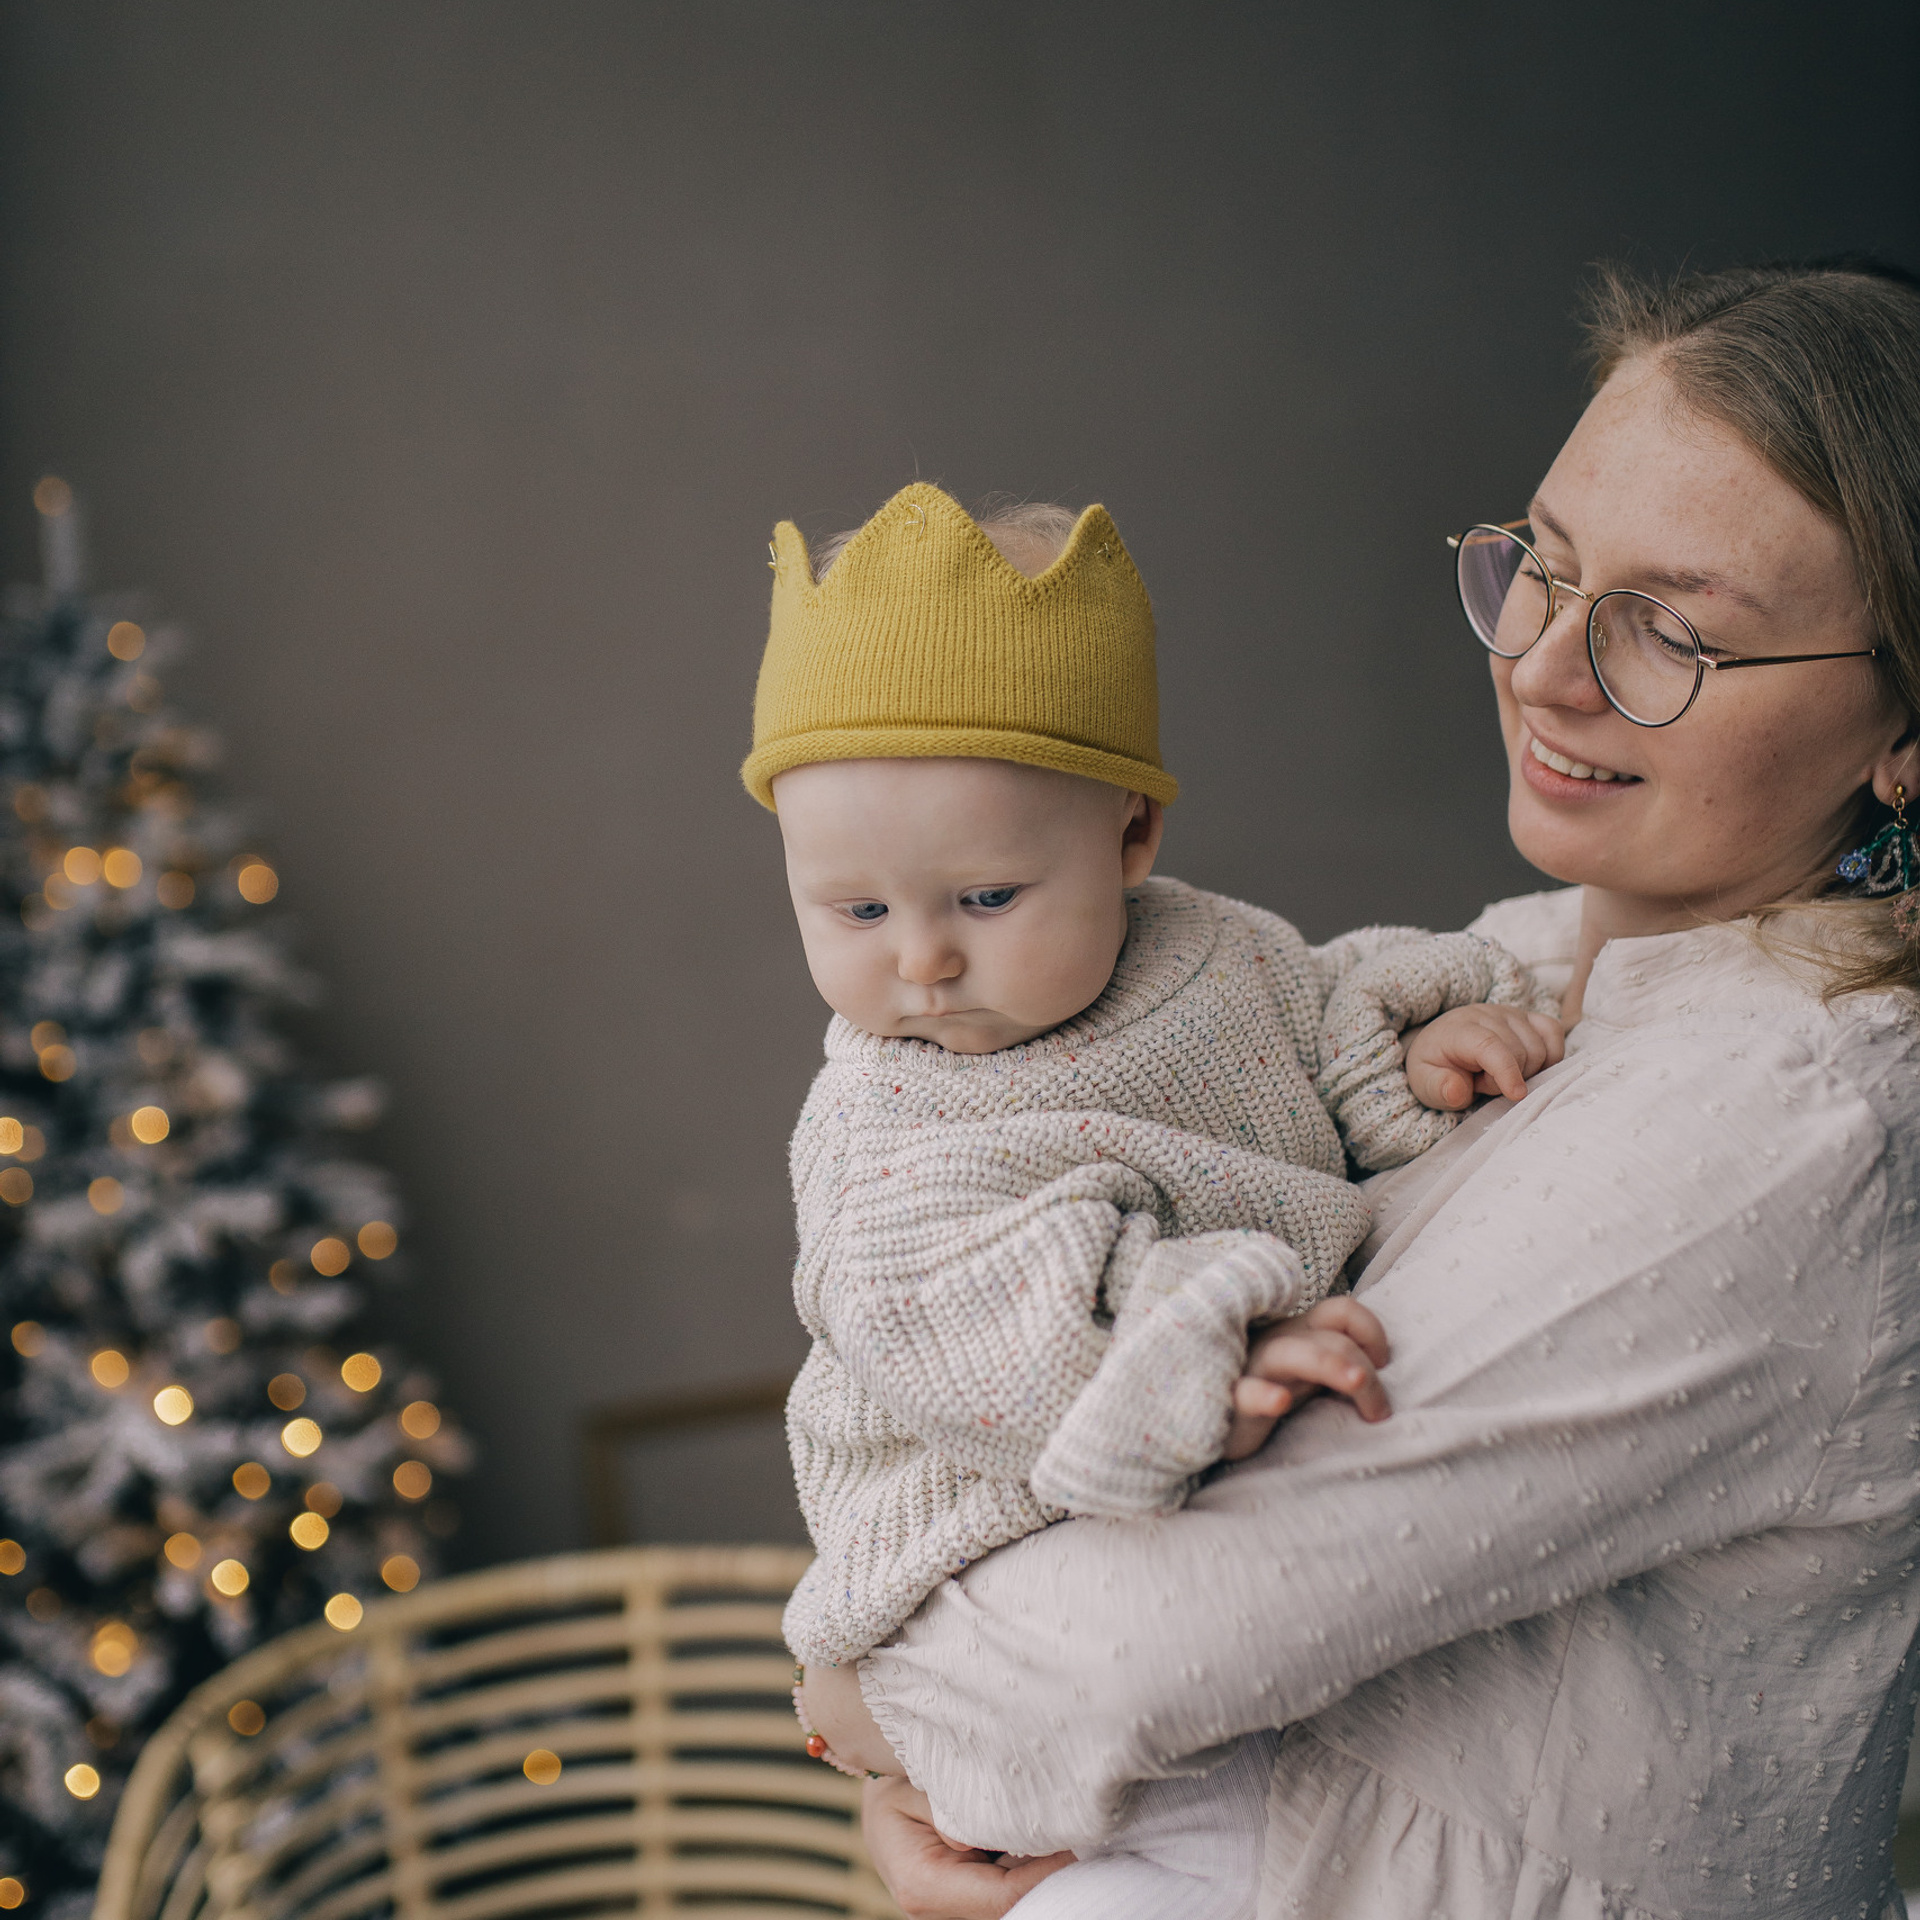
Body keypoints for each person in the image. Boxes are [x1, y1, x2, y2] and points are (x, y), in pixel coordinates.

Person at [831, 259, 1920, 1920]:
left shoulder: (1789, 1116)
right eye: (1544, 564)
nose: (1545, 668)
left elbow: (1121, 1660)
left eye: (1673, 632)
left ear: (1902, 731)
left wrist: (856, 1695)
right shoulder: (1523, 963)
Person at [740, 483, 1565, 1917]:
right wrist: (1202, 1354)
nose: (922, 961)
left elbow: (1319, 1024)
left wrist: (1415, 1055)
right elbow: (980, 1330)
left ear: (1131, 837)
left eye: (986, 899)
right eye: (857, 911)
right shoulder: (889, 1133)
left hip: (1221, 1579)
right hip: (984, 1521)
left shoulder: (1208, 952)